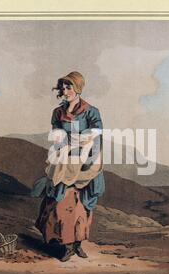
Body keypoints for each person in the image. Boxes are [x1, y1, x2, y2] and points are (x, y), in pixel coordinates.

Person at [30, 71, 105, 262]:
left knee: (83, 207)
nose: (65, 90)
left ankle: (78, 244)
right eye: (63, 87)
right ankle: (67, 246)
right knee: (63, 204)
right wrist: (62, 146)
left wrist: (88, 160)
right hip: (65, 162)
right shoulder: (58, 112)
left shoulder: (91, 111)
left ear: (78, 88)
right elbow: (56, 137)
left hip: (86, 163)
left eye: (69, 86)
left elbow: (96, 136)